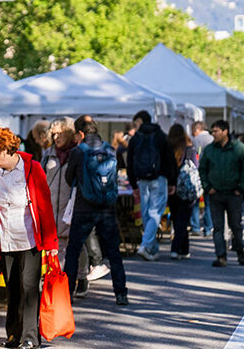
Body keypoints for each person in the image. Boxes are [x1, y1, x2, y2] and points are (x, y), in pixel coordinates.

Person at [0, 127, 58, 349]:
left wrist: (52, 243)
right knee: (12, 288)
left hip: (30, 240)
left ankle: (30, 336)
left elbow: (45, 207)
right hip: (5, 240)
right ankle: (14, 334)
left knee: (29, 287)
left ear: (5, 150)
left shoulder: (32, 169)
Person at [64, 118, 129, 305]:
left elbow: (69, 178)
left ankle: (68, 292)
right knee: (113, 251)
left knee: (73, 250)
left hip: (84, 207)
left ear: (80, 134)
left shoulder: (78, 151)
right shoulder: (110, 149)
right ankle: (121, 292)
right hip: (107, 207)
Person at [41, 117, 90, 296]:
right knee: (59, 243)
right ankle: (62, 279)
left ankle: (82, 275)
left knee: (76, 242)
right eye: (53, 134)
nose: (56, 138)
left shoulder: (78, 153)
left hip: (72, 204)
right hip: (52, 205)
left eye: (60, 134)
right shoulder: (48, 154)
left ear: (69, 133)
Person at [198, 119, 244, 267]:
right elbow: (202, 170)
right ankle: (221, 256)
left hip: (233, 194)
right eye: (212, 131)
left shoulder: (238, 148)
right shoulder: (209, 150)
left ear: (225, 131)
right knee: (218, 227)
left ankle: (240, 249)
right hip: (216, 194)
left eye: (216, 131)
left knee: (236, 225)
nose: (213, 134)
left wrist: (240, 187)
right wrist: (208, 187)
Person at [126, 110, 176, 261]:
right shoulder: (161, 136)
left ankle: (152, 248)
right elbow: (170, 160)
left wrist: (133, 183)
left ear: (140, 121)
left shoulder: (135, 139)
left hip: (141, 179)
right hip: (159, 178)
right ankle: (146, 245)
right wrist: (172, 181)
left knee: (147, 212)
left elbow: (130, 161)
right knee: (155, 212)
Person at [167, 124, 197, 259]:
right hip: (186, 187)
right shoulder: (189, 148)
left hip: (171, 187)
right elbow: (195, 166)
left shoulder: (167, 149)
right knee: (183, 219)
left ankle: (184, 249)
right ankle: (177, 248)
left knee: (176, 218)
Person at [190, 121, 213, 236]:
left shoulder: (196, 140)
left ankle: (195, 227)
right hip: (209, 174)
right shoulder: (212, 139)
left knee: (195, 202)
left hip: (196, 174)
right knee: (208, 202)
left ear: (197, 129)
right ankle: (208, 228)